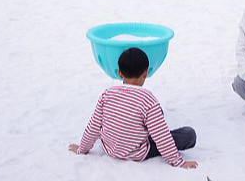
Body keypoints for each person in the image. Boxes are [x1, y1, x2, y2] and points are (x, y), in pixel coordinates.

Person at [70, 48, 198, 169]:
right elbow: (161, 136)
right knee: (188, 134)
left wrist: (82, 149)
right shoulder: (148, 99)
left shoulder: (107, 94)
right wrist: (178, 162)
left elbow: (93, 126)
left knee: (153, 114)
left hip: (109, 148)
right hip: (137, 152)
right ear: (146, 73)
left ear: (119, 73)